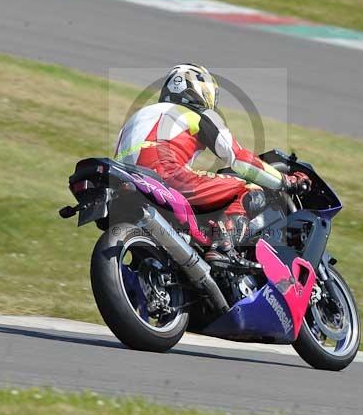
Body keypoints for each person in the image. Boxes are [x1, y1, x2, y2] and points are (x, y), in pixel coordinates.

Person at [114, 64, 310, 265]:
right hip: (166, 175)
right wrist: (286, 181)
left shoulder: (138, 116)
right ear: (199, 88)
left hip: (125, 180)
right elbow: (239, 159)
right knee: (248, 189)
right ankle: (223, 247)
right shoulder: (197, 114)